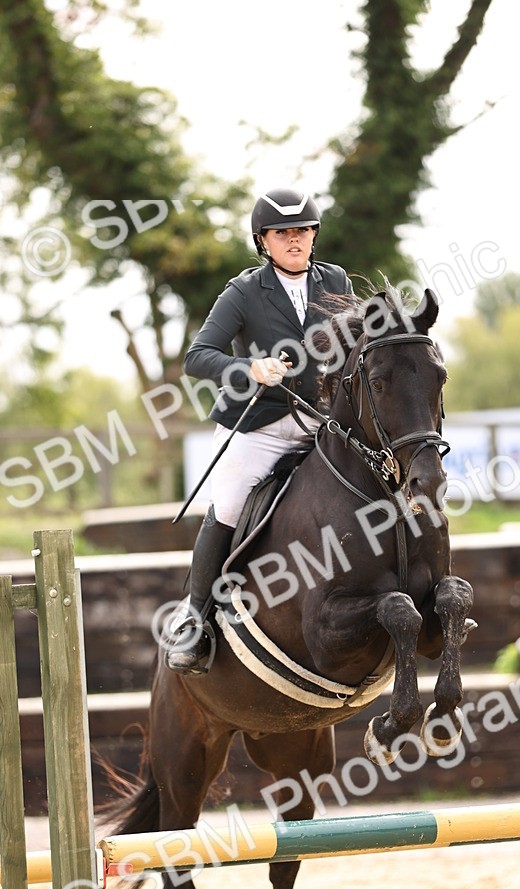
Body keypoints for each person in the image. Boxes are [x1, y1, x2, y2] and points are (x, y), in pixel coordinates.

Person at [166, 187, 354, 675]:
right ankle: (196, 617)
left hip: (319, 419)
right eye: (283, 233)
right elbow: (197, 357)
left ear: (314, 236)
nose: (295, 241)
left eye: (303, 232)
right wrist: (251, 367)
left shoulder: (334, 280)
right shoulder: (244, 291)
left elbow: (356, 343)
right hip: (258, 424)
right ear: (263, 241)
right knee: (226, 504)